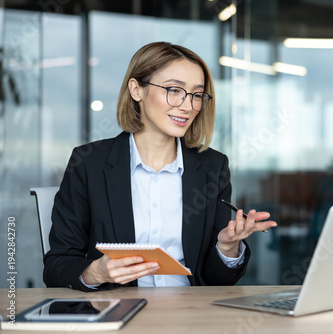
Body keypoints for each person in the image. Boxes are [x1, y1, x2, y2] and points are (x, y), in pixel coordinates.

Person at [43, 42, 277, 292]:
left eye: (197, 95)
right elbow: (57, 265)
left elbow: (214, 282)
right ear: (136, 90)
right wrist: (96, 272)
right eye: (174, 90)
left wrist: (227, 248)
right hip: (117, 312)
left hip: (190, 316)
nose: (188, 106)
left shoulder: (213, 167)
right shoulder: (89, 163)